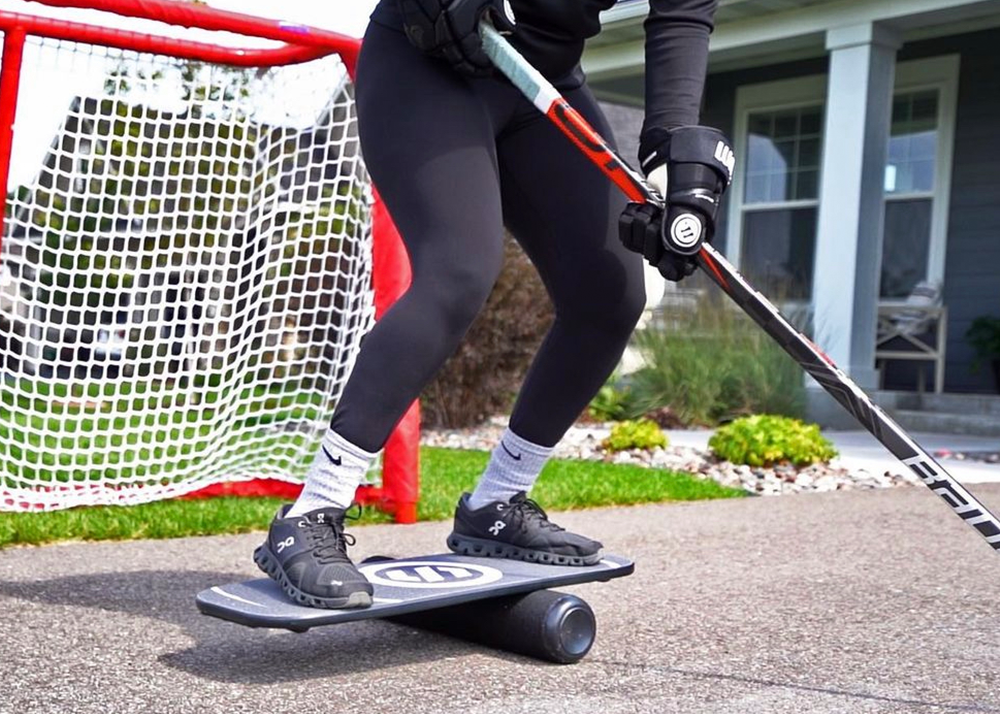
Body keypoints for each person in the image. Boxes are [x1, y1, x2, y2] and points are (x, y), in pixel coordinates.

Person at [252, 0, 734, 609]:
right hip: (429, 55)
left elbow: (681, 19)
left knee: (611, 293)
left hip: (542, 82)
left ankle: (495, 504)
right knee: (458, 272)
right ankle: (312, 511)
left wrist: (673, 170)